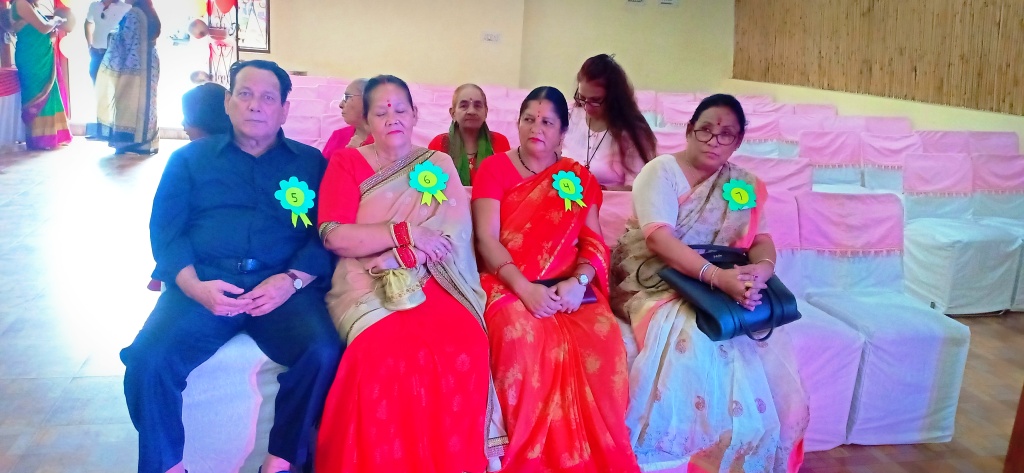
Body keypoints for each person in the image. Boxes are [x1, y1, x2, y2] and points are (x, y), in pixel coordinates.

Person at [120, 59, 343, 473]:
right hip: (206, 285)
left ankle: (280, 461)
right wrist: (193, 286)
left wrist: (291, 281)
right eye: (245, 94)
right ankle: (168, 466)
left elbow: (326, 234)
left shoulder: (311, 163)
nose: (255, 105)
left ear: (284, 110)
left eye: (268, 97)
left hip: (281, 290)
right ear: (228, 102)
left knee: (324, 351)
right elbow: (166, 233)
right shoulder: (189, 160)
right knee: (147, 361)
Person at [315, 74, 507, 473]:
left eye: (400, 110)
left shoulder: (437, 163)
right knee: (380, 354)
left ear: (415, 114)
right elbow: (335, 236)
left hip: (437, 278)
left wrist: (404, 255)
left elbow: (454, 232)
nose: (392, 119)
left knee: (464, 344)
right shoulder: (347, 163)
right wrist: (405, 235)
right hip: (366, 279)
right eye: (381, 112)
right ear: (367, 120)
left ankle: (449, 462)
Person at [610, 94, 808, 472]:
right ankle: (682, 457)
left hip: (725, 281)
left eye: (726, 134)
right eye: (706, 130)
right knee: (695, 336)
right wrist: (717, 278)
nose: (714, 141)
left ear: (738, 141)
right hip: (657, 280)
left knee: (764, 338)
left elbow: (760, 238)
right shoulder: (661, 172)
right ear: (689, 131)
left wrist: (761, 271)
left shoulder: (742, 184)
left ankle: (743, 453)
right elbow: (658, 240)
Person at [471, 86, 640, 472]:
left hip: (569, 289)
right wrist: (525, 289)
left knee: (604, 341)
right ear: (517, 123)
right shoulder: (494, 169)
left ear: (562, 132)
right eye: (529, 119)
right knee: (521, 337)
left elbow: (594, 243)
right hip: (507, 283)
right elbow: (486, 240)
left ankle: (592, 456)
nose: (536, 128)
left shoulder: (578, 178)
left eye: (547, 122)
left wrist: (578, 283)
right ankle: (529, 457)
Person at [563, 54, 656, 191]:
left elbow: (638, 188)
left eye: (595, 100)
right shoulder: (569, 115)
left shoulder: (633, 132)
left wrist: (599, 190)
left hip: (609, 202)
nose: (587, 107)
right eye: (582, 97)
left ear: (614, 97)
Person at [88, 0, 160, 155]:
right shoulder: (149, 12)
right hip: (150, 64)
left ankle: (130, 142)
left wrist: (111, 37)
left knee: (128, 104)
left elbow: (124, 40)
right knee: (147, 104)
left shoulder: (133, 14)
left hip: (132, 67)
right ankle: (146, 142)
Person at [10, 0, 72, 150]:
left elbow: (41, 31)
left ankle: (52, 136)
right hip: (31, 58)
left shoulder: (31, 5)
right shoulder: (20, 3)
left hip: (42, 56)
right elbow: (43, 28)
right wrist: (56, 20)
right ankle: (39, 139)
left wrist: (52, 31)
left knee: (50, 93)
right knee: (35, 94)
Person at [427, 83, 511, 185]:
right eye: (464, 106)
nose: (471, 111)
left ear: (486, 112)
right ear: (453, 113)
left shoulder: (499, 142)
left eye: (477, 106)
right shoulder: (439, 144)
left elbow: (507, 185)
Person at [320, 78, 373, 159]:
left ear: (367, 100)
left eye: (346, 97)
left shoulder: (388, 140)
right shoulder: (338, 136)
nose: (340, 105)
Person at [83, 0, 131, 83]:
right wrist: (89, 45)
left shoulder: (125, 8)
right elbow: (88, 22)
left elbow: (129, 32)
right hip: (96, 53)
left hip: (114, 56)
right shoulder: (94, 6)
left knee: (113, 85)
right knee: (96, 83)